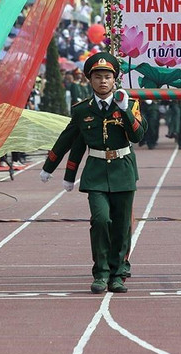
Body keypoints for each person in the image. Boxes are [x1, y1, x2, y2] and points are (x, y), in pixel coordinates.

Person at [40, 52, 146, 294]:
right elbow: (67, 139)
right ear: (90, 80)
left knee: (120, 226)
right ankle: (101, 273)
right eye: (98, 77)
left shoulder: (129, 105)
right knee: (100, 220)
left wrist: (125, 110)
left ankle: (118, 273)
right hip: (96, 173)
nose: (103, 81)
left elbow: (139, 136)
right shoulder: (81, 110)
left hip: (123, 171)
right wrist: (50, 167)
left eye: (108, 76)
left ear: (115, 79)